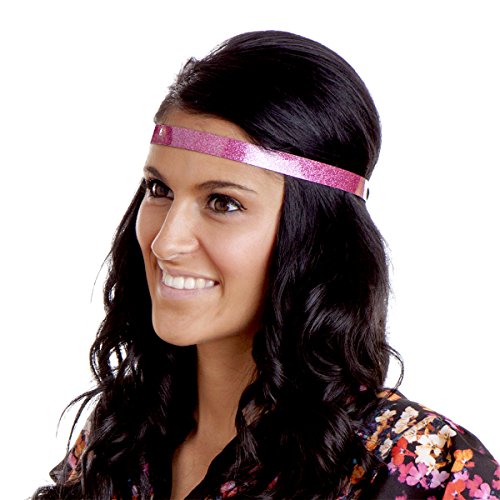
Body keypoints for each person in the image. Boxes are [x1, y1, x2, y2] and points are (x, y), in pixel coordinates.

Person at [33, 30, 499, 500]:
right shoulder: (118, 439)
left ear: (315, 234)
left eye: (223, 202)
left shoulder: (423, 471)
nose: (166, 242)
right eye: (160, 190)